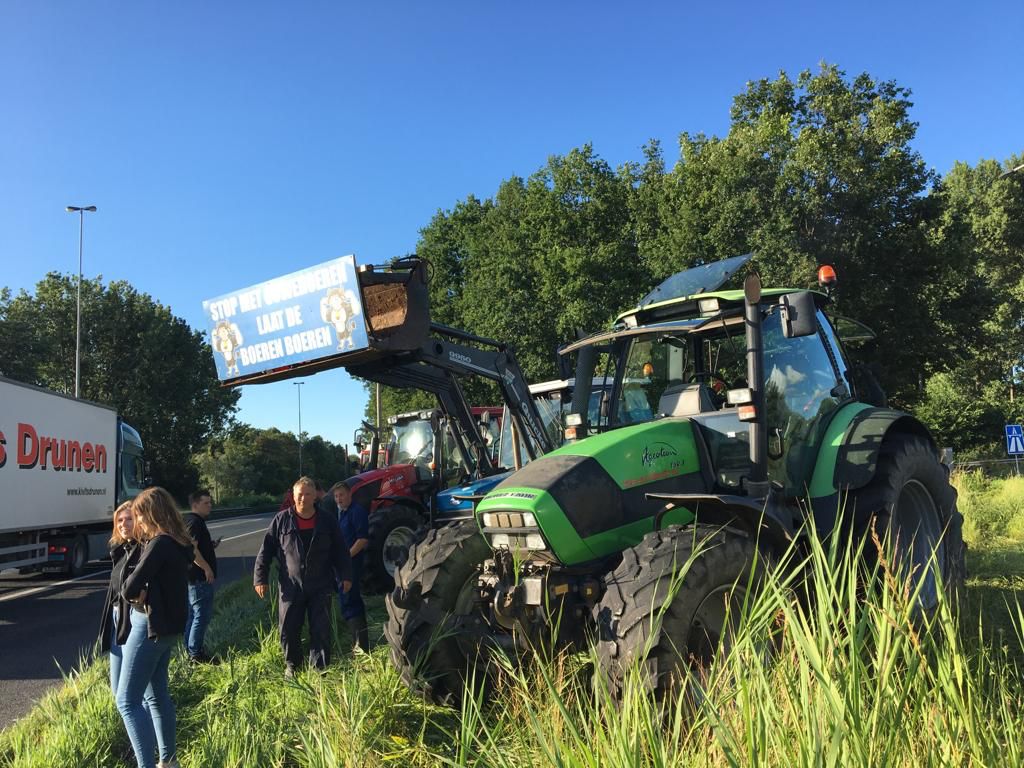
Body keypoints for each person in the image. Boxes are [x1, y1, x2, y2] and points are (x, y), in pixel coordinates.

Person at [116, 487, 194, 768]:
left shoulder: (159, 543)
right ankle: (168, 761)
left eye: (138, 515)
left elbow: (128, 588)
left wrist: (139, 591)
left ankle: (146, 765)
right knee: (157, 695)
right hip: (170, 629)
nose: (136, 522)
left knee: (126, 701)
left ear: (150, 514)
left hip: (148, 626)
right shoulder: (179, 542)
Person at [254, 476, 353, 676]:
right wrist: (260, 578)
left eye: (308, 494)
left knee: (320, 629)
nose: (303, 498)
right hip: (291, 586)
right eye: (300, 494)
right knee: (288, 629)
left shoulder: (327, 521)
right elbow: (266, 550)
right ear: (293, 495)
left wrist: (346, 575)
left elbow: (340, 551)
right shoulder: (282, 520)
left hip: (321, 584)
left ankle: (320, 669)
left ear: (315, 496)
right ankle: (293, 665)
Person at [99, 501, 141, 697]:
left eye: (129, 519)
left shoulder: (144, 550)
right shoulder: (120, 550)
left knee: (131, 694)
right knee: (118, 691)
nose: (124, 524)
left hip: (132, 621)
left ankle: (146, 726)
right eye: (120, 520)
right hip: (118, 621)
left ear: (140, 520)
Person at [332, 481, 370, 652]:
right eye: (336, 496)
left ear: (349, 495)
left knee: (350, 600)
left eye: (342, 495)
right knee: (346, 600)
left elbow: (362, 540)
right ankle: (357, 643)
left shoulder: (357, 512)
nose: (339, 499)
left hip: (352, 564)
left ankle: (361, 646)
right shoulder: (342, 514)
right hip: (343, 565)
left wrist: (346, 558)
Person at [182, 489, 218, 664]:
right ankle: (196, 654)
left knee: (193, 614)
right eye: (206, 503)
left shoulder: (191, 520)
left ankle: (190, 650)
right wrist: (207, 569)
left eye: (210, 502)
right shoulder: (195, 522)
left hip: (191, 576)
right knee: (201, 615)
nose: (209, 506)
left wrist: (210, 545)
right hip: (198, 577)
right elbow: (192, 549)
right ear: (195, 504)